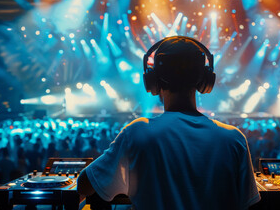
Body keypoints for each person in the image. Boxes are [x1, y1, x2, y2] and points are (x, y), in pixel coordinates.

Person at [77, 36, 260, 209]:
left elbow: (84, 184)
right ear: (205, 80)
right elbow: (249, 203)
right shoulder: (233, 139)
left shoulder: (137, 133)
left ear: (153, 81)